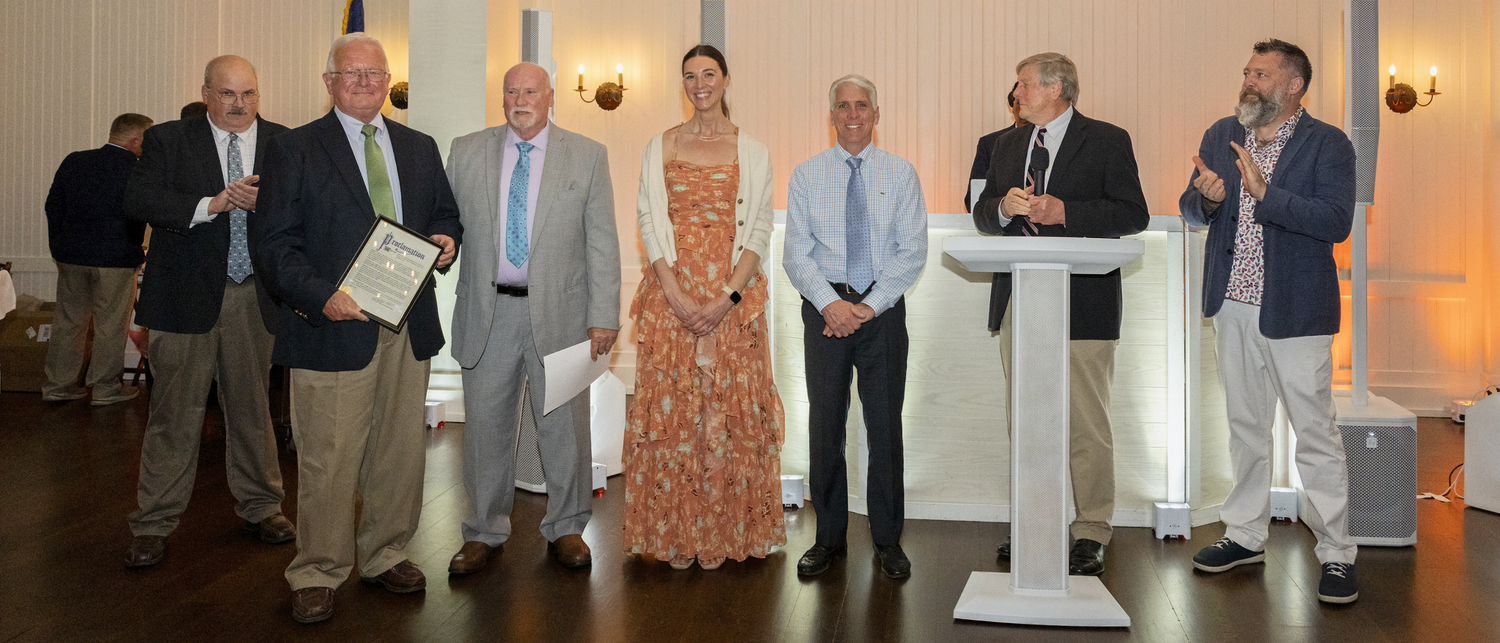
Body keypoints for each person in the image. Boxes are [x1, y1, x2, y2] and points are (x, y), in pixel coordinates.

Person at [252, 32, 461, 624]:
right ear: (329, 83)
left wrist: (447, 241)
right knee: (328, 458)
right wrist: (324, 298)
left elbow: (444, 215)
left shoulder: (419, 147)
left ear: (388, 80)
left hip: (406, 325)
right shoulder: (295, 149)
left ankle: (385, 553)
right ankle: (317, 570)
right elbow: (273, 246)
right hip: (331, 327)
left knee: (399, 455)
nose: (365, 83)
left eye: (375, 74)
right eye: (352, 74)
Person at [1179, 39, 1359, 604]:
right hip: (1231, 304)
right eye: (1247, 71)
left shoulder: (1328, 143)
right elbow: (1191, 205)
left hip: (1297, 309)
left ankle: (1335, 551)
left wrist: (1266, 193)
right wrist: (1205, 199)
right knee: (1245, 428)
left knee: (1315, 433)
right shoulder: (1220, 133)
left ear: (1294, 85)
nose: (1248, 80)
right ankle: (1245, 535)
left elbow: (1335, 222)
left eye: (1261, 73)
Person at [973, 52, 1149, 576]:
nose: (1017, 92)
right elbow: (983, 214)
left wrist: (1066, 212)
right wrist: (1003, 208)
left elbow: (1132, 213)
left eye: (1024, 84)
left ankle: (1091, 529)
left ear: (1055, 88)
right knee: (1026, 420)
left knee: (1085, 425)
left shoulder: (1108, 139)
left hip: (1086, 306)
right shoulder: (1005, 144)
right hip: (1019, 304)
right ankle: (1035, 520)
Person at [444, 62, 619, 576]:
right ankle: (483, 531)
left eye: (530, 91)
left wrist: (603, 315)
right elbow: (446, 223)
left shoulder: (586, 155)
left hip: (562, 317)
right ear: (502, 97)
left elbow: (602, 241)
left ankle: (567, 527)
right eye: (511, 90)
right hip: (487, 313)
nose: (519, 99)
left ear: (550, 97)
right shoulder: (467, 150)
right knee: (485, 429)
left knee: (564, 429)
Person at [120, 55, 293, 568]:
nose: (239, 105)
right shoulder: (169, 140)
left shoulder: (284, 142)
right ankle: (153, 521)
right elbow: (139, 199)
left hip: (252, 296)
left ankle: (263, 506)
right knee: (174, 413)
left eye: (248, 94)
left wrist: (269, 207)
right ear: (206, 92)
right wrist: (210, 206)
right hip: (182, 295)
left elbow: (305, 211)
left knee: (251, 409)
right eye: (226, 94)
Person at [622, 44, 786, 571]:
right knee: (675, 412)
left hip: (733, 300)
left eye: (708, 74)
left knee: (728, 413)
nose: (699, 84)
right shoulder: (662, 145)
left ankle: (724, 531)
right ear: (682, 84)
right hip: (672, 294)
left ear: (726, 79)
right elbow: (649, 219)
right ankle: (676, 532)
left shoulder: (753, 150)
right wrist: (673, 292)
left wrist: (726, 298)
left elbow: (758, 229)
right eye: (690, 76)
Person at [784, 74, 927, 580]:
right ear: (831, 116)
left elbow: (913, 251)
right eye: (842, 106)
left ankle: (888, 540)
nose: (852, 114)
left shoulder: (902, 173)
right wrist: (831, 304)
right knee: (825, 425)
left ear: (876, 113)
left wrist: (870, 306)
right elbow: (795, 255)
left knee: (884, 427)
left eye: (861, 105)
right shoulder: (806, 175)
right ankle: (828, 538)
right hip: (824, 312)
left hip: (882, 315)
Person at [41, 112, 152, 406]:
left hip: (71, 257)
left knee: (68, 322)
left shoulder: (74, 161)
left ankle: (58, 385)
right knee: (110, 325)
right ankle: (104, 388)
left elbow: (53, 205)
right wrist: (134, 248)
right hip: (114, 259)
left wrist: (58, 246)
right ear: (135, 140)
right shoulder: (137, 170)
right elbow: (140, 212)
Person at [963, 82, 1026, 212]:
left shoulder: (1050, 139)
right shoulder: (991, 143)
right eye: (1019, 102)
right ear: (1012, 105)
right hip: (1002, 224)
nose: (1023, 106)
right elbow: (973, 198)